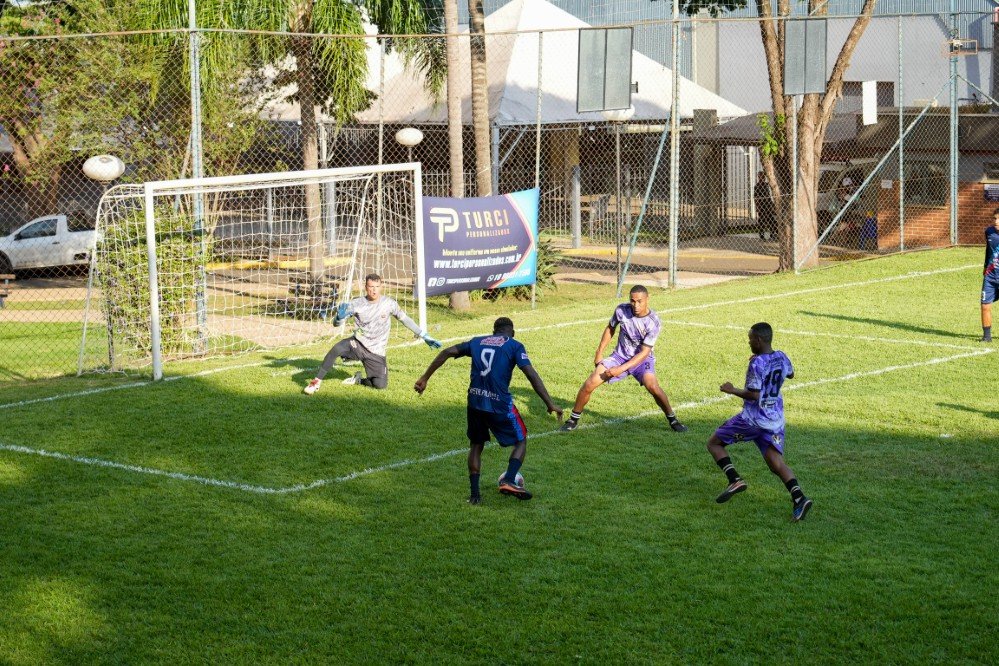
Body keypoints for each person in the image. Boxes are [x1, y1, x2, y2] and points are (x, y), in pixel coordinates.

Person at [414, 317, 563, 504]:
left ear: (494, 332)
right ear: (512, 333)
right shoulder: (515, 346)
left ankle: (475, 496)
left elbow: (446, 352)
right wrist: (549, 403)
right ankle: (509, 479)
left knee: (476, 445)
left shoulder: (477, 341)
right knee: (520, 441)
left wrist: (425, 378)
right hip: (499, 404)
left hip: (475, 401)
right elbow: (530, 374)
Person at [706, 322, 812, 522]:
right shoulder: (781, 356)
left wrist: (732, 389)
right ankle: (800, 498)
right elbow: (791, 373)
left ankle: (734, 480)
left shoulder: (756, 364)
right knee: (775, 463)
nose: (749, 342)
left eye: (750, 339)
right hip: (775, 420)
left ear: (759, 340)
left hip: (753, 420)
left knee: (714, 443)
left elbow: (754, 395)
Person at [559, 285, 687, 433]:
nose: (636, 305)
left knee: (652, 386)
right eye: (633, 301)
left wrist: (620, 369)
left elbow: (644, 352)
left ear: (647, 299)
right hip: (619, 357)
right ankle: (573, 419)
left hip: (642, 360)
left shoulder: (653, 322)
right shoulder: (621, 310)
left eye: (639, 301)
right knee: (590, 382)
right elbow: (610, 328)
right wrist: (599, 352)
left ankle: (673, 419)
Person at [304, 273, 441, 394]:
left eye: (377, 287)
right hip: (358, 344)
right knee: (337, 348)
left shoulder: (389, 303)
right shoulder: (356, 303)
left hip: (376, 351)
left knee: (380, 385)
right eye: (371, 287)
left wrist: (423, 335)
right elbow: (336, 324)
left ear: (381, 287)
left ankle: (358, 380)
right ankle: (315, 383)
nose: (374, 290)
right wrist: (338, 318)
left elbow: (405, 320)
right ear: (366, 287)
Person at [980, 207, 999, 342]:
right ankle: (987, 337)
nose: (996, 221)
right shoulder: (989, 232)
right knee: (985, 305)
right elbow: (988, 250)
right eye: (995, 218)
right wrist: (985, 266)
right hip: (990, 276)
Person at [754, 171, 777, 240]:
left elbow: (769, 196)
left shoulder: (767, 185)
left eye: (763, 176)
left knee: (771, 220)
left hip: (768, 205)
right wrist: (757, 207)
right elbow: (756, 198)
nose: (762, 178)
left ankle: (772, 235)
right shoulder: (757, 186)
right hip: (761, 205)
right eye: (760, 176)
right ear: (758, 177)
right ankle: (762, 235)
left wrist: (772, 205)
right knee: (762, 221)